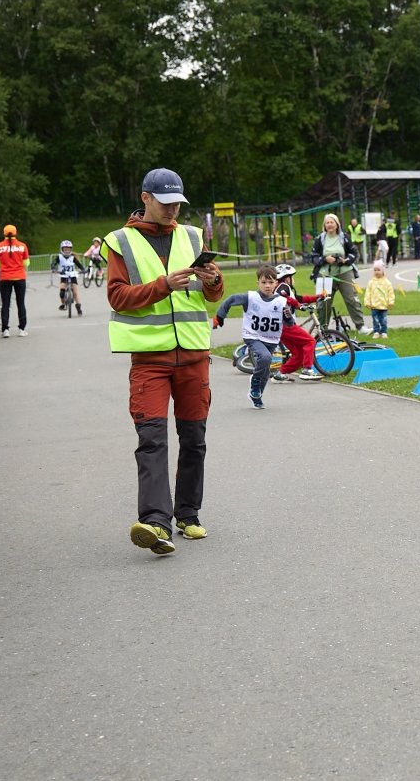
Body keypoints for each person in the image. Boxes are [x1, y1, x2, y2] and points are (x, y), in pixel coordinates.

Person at [105, 167, 224, 556]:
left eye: (178, 203)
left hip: (194, 356)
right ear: (145, 198)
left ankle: (188, 514)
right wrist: (162, 286)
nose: (173, 210)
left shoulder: (192, 236)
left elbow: (210, 297)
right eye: (166, 202)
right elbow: (118, 297)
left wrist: (213, 281)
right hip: (150, 360)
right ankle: (156, 523)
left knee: (194, 439)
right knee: (151, 438)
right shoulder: (121, 241)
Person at [213, 263, 286, 409]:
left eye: (271, 282)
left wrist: (288, 316)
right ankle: (254, 384)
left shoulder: (282, 301)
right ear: (258, 283)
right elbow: (231, 299)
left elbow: (289, 323)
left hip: (271, 339)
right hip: (252, 336)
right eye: (264, 282)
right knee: (265, 358)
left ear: (276, 283)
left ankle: (256, 395)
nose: (267, 286)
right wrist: (220, 316)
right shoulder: (250, 297)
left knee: (266, 371)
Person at [310, 213, 366, 334]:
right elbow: (313, 257)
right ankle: (322, 330)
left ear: (337, 224)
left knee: (352, 299)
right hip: (325, 273)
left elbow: (354, 253)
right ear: (324, 225)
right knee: (323, 302)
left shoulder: (344, 237)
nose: (329, 224)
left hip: (344, 271)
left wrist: (346, 260)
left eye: (332, 222)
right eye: (327, 222)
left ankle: (360, 326)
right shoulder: (320, 239)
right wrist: (325, 259)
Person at [270, 263, 323, 382]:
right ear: (286, 278)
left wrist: (318, 297)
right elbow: (285, 298)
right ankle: (307, 370)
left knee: (298, 355)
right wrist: (299, 306)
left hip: (281, 327)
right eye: (291, 277)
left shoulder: (285, 288)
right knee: (310, 341)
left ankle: (280, 374)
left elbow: (301, 298)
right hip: (285, 325)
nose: (293, 280)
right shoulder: (282, 287)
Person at [0, 224, 29, 337]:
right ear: (15, 233)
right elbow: (26, 263)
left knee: (5, 304)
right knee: (21, 303)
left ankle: (5, 330)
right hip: (19, 277)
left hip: (5, 277)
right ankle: (22, 329)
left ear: (4, 233)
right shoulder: (22, 246)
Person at [363, 260, 396, 339]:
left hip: (384, 305)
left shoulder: (387, 282)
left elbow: (391, 293)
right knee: (375, 320)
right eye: (375, 270)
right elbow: (368, 293)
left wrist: (391, 302)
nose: (376, 272)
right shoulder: (371, 282)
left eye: (378, 270)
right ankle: (376, 332)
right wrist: (367, 302)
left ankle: (384, 332)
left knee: (383, 320)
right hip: (374, 305)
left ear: (383, 271)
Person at [54, 240, 83, 316]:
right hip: (63, 276)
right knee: (62, 292)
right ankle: (63, 304)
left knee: (75, 292)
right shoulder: (59, 257)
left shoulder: (73, 257)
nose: (67, 250)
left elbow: (79, 265)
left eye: (68, 249)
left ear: (71, 249)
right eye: (65, 249)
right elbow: (53, 263)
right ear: (62, 249)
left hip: (72, 275)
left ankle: (78, 307)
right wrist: (53, 268)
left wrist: (83, 269)